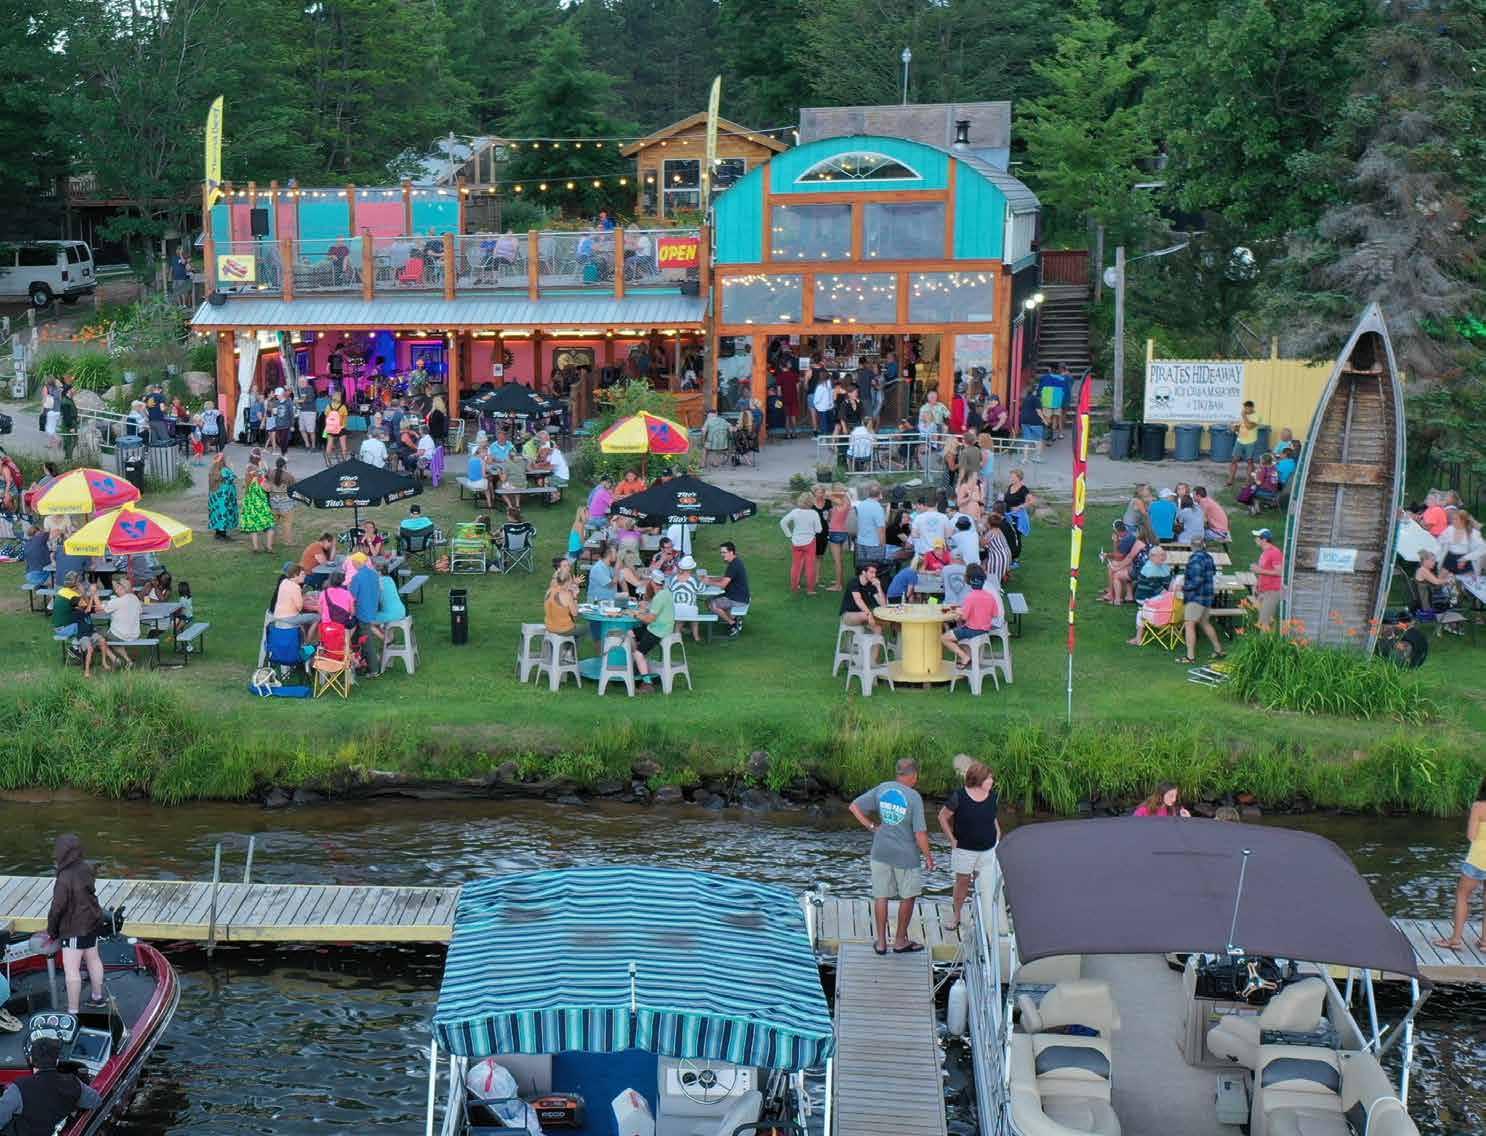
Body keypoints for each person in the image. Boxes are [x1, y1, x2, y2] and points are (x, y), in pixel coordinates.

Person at [848, 758, 936, 954]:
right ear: (913, 775)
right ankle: (899, 941)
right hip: (906, 856)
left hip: (880, 851)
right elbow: (920, 833)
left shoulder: (883, 788)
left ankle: (881, 943)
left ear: (898, 774)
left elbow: (854, 807)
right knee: (908, 896)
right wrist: (928, 857)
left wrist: (872, 826)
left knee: (881, 896)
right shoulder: (914, 797)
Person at [937, 760, 1001, 932]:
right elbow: (942, 817)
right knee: (962, 883)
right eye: (989, 778)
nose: (992, 781)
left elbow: (992, 816)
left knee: (985, 884)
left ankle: (983, 918)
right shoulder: (959, 796)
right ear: (979, 779)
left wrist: (998, 832)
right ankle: (956, 916)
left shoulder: (993, 796)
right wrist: (952, 840)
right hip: (964, 850)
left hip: (988, 849)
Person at [47, 834, 106, 1013]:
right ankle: (98, 997)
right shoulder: (86, 868)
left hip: (74, 929)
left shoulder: (64, 877)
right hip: (92, 922)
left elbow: (57, 908)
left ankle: (73, 1011)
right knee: (94, 959)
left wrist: (52, 931)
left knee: (71, 970)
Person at [0, 1034, 103, 1133]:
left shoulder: (18, 1088)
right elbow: (96, 1101)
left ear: (31, 1059)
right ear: (57, 1061)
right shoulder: (73, 1083)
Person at [1432, 777, 1486, 951]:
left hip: (1478, 859)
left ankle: (1455, 940)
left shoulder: (1479, 807)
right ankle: (1485, 942)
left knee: (1462, 895)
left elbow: (1471, 835)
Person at [941, 567, 1000, 667]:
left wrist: (958, 612)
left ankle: (964, 657)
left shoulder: (970, 597)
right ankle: (969, 657)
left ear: (969, 581)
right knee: (959, 632)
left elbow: (964, 617)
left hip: (972, 630)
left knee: (944, 638)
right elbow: (995, 614)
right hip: (985, 630)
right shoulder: (990, 596)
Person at [1178, 537, 1225, 663]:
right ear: (1203, 545)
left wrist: (1183, 587)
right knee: (1204, 622)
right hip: (1207, 596)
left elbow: (1196, 581)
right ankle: (1218, 650)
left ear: (1191, 546)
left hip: (1196, 597)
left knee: (1189, 624)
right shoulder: (1208, 557)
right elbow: (1213, 572)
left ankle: (1190, 657)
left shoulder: (1195, 559)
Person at [629, 569, 676, 687]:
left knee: (638, 653)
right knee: (632, 632)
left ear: (652, 582)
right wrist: (645, 607)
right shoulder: (666, 592)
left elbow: (649, 620)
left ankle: (647, 683)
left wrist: (635, 614)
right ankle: (638, 664)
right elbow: (656, 610)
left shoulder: (659, 597)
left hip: (658, 630)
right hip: (665, 627)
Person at [780, 492, 824, 595]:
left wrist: (789, 535)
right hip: (810, 542)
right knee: (810, 565)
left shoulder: (795, 512)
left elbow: (783, 522)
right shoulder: (813, 513)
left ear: (800, 500)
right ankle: (810, 590)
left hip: (796, 542)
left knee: (796, 565)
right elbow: (819, 530)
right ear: (811, 502)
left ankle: (794, 588)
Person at [706, 541, 750, 639]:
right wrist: (711, 578)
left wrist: (708, 582)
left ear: (731, 552)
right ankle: (734, 619)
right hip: (739, 596)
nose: (722, 555)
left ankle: (733, 624)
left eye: (724, 552)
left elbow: (722, 585)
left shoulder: (733, 565)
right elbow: (725, 578)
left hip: (737, 599)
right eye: (721, 552)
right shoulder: (736, 562)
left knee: (711, 604)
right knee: (709, 599)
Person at [1252, 528, 1284, 630]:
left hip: (1272, 591)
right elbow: (1263, 571)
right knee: (1265, 622)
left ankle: (1264, 640)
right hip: (1263, 590)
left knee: (1264, 624)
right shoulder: (1265, 552)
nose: (1255, 539)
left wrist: (1259, 570)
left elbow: (1279, 572)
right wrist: (1257, 585)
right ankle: (1268, 638)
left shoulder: (1275, 552)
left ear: (1264, 539)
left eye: (1257, 537)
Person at [239, 466, 276, 553]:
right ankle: (269, 547)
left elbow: (244, 489)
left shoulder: (247, 481)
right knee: (270, 526)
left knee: (254, 529)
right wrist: (267, 480)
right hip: (261, 507)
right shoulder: (260, 480)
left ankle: (255, 547)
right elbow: (268, 489)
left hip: (250, 508)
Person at [840, 562, 885, 634]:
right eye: (871, 572)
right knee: (870, 616)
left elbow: (883, 604)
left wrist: (878, 587)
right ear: (863, 572)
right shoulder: (854, 582)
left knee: (879, 628)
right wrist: (869, 614)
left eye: (875, 573)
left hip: (865, 614)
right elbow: (858, 600)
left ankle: (871, 637)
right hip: (848, 614)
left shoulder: (872, 584)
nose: (874, 575)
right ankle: (869, 628)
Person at [1437, 509, 1485, 576]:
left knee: (1465, 581)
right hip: (1449, 559)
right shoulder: (1449, 529)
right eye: (1452, 519)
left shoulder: (1473, 533)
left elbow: (1483, 549)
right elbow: (1439, 542)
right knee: (1443, 580)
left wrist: (1465, 558)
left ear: (1463, 520)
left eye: (1455, 519)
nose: (1452, 521)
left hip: (1466, 561)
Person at [1228, 400, 1261, 486]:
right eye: (1244, 408)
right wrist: (1234, 428)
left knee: (1249, 461)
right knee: (1234, 460)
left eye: (1247, 408)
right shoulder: (1244, 416)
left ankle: (1248, 481)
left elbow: (1249, 427)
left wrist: (1244, 416)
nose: (1245, 410)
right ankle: (1230, 480)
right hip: (1240, 440)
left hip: (1250, 442)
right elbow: (1241, 427)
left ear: (1252, 408)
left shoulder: (1257, 416)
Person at [825, 486, 852, 591]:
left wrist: (832, 492)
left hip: (835, 533)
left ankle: (838, 586)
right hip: (843, 532)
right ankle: (840, 581)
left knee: (837, 561)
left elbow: (827, 494)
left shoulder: (840, 503)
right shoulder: (847, 503)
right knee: (840, 560)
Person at [207, 452, 238, 542]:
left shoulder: (213, 470)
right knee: (223, 514)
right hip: (223, 497)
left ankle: (218, 534)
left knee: (217, 514)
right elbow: (232, 477)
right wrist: (232, 467)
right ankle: (222, 535)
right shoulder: (224, 470)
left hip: (216, 497)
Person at [855, 482, 887, 565]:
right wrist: (883, 546)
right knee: (874, 568)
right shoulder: (878, 508)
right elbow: (881, 530)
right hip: (874, 544)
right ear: (880, 494)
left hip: (861, 542)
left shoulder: (861, 505)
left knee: (863, 568)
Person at [543, 563, 579, 634]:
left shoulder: (549, 591)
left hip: (549, 627)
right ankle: (571, 641)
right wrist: (575, 596)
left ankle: (570, 640)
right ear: (567, 582)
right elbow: (575, 613)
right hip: (563, 629)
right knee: (587, 628)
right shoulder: (566, 595)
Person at [323, 391, 350, 461]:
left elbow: (326, 417)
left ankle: (328, 460)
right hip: (341, 428)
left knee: (329, 444)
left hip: (331, 428)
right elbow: (345, 419)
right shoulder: (343, 407)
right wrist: (343, 426)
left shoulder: (328, 406)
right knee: (343, 445)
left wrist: (329, 426)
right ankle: (344, 459)